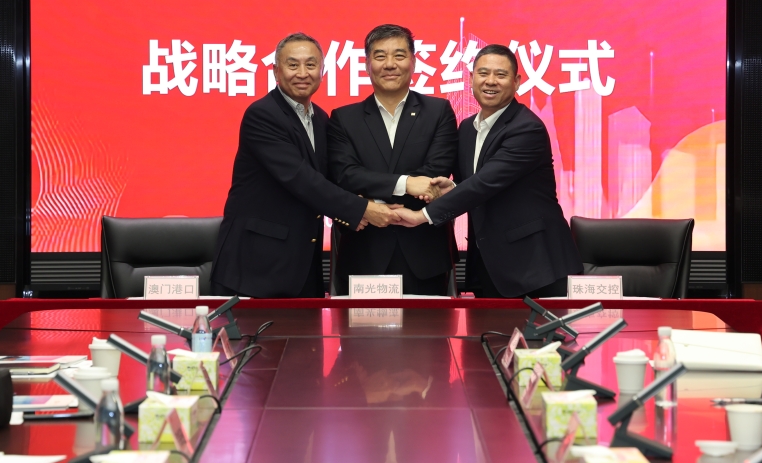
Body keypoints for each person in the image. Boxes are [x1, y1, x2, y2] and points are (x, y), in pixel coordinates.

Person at [211, 33, 400, 298]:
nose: (302, 73)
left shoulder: (321, 118)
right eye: (293, 65)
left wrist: (378, 197)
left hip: (302, 265)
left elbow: (334, 178)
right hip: (256, 267)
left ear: (322, 71)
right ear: (276, 71)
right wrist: (363, 209)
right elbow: (302, 180)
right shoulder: (262, 115)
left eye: (311, 65)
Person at [392, 44, 582, 298]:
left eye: (501, 75)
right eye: (483, 73)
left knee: (542, 328)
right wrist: (453, 187)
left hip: (536, 265)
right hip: (490, 264)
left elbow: (484, 184)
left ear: (516, 82)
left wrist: (421, 216)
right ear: (472, 79)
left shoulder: (527, 128)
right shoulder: (467, 128)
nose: (490, 81)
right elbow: (474, 184)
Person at [327, 24, 459, 295]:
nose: (389, 64)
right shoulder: (344, 118)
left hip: (424, 254)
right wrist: (406, 184)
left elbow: (435, 173)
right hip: (364, 251)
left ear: (413, 62)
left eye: (399, 55)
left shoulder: (438, 111)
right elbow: (346, 174)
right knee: (360, 325)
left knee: (429, 324)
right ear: (367, 64)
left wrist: (372, 196)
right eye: (380, 56)